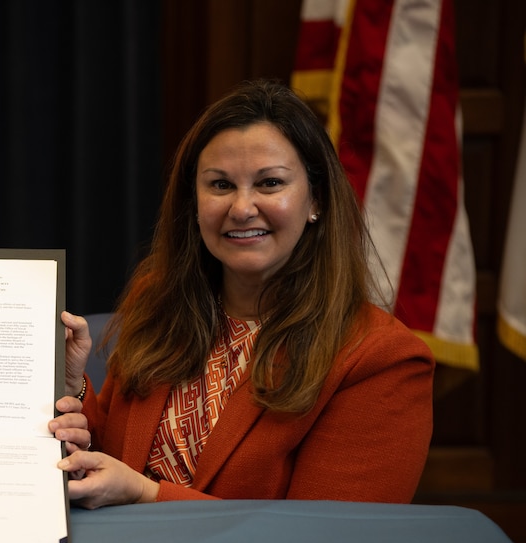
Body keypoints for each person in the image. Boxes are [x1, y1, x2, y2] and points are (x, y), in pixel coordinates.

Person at [56, 79, 435, 507]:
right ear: (193, 204)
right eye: (220, 185)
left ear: (317, 201)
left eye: (270, 183)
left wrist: (149, 495)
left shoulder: (380, 360)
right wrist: (71, 390)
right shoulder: (161, 303)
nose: (241, 208)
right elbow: (114, 457)